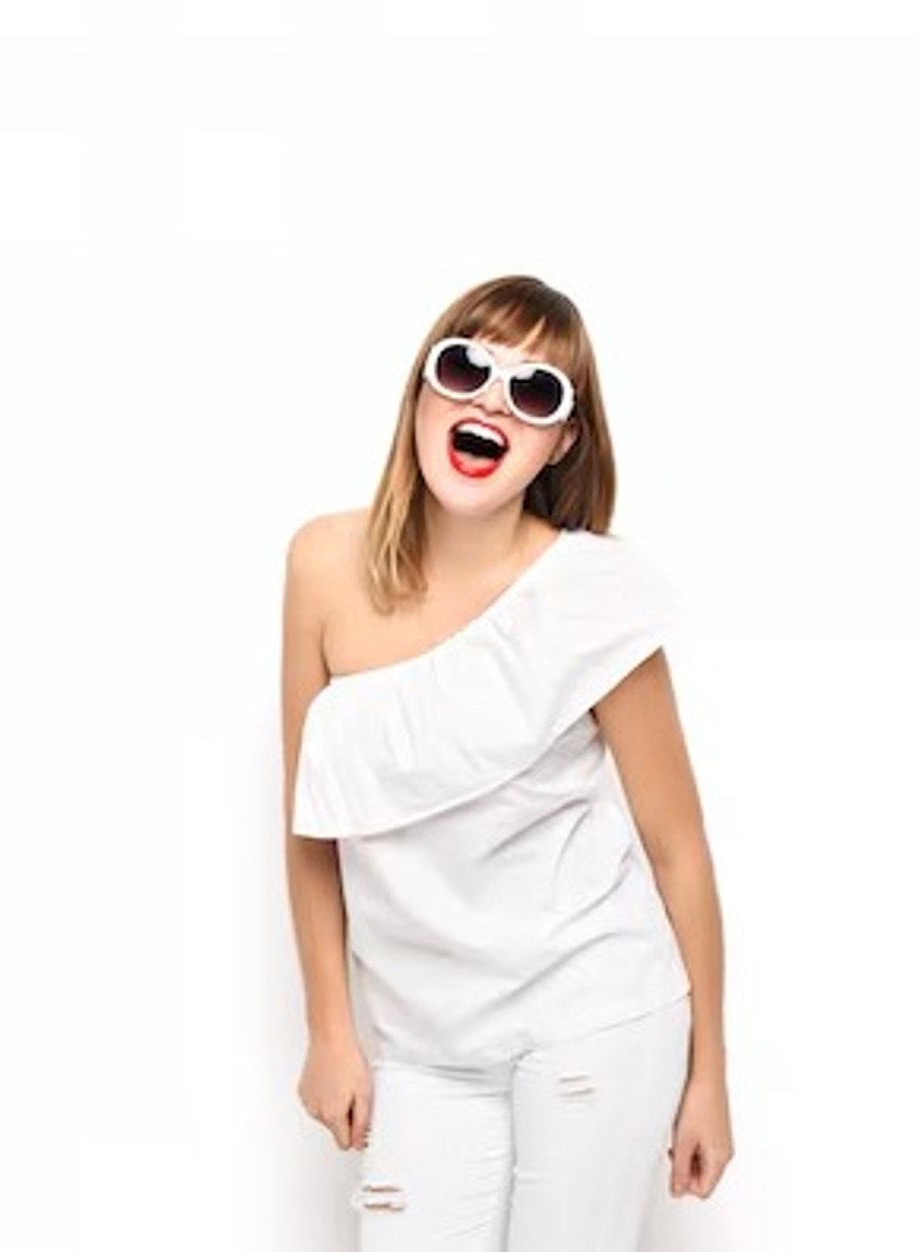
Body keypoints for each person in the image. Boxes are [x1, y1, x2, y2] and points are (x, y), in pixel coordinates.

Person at [280, 275, 734, 1249]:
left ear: (561, 439)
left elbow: (678, 845)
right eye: (467, 367)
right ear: (423, 390)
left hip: (591, 1017)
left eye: (534, 392)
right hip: (421, 1044)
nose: (492, 398)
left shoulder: (591, 599)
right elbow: (308, 823)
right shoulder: (322, 565)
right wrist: (329, 1028)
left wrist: (708, 1074)